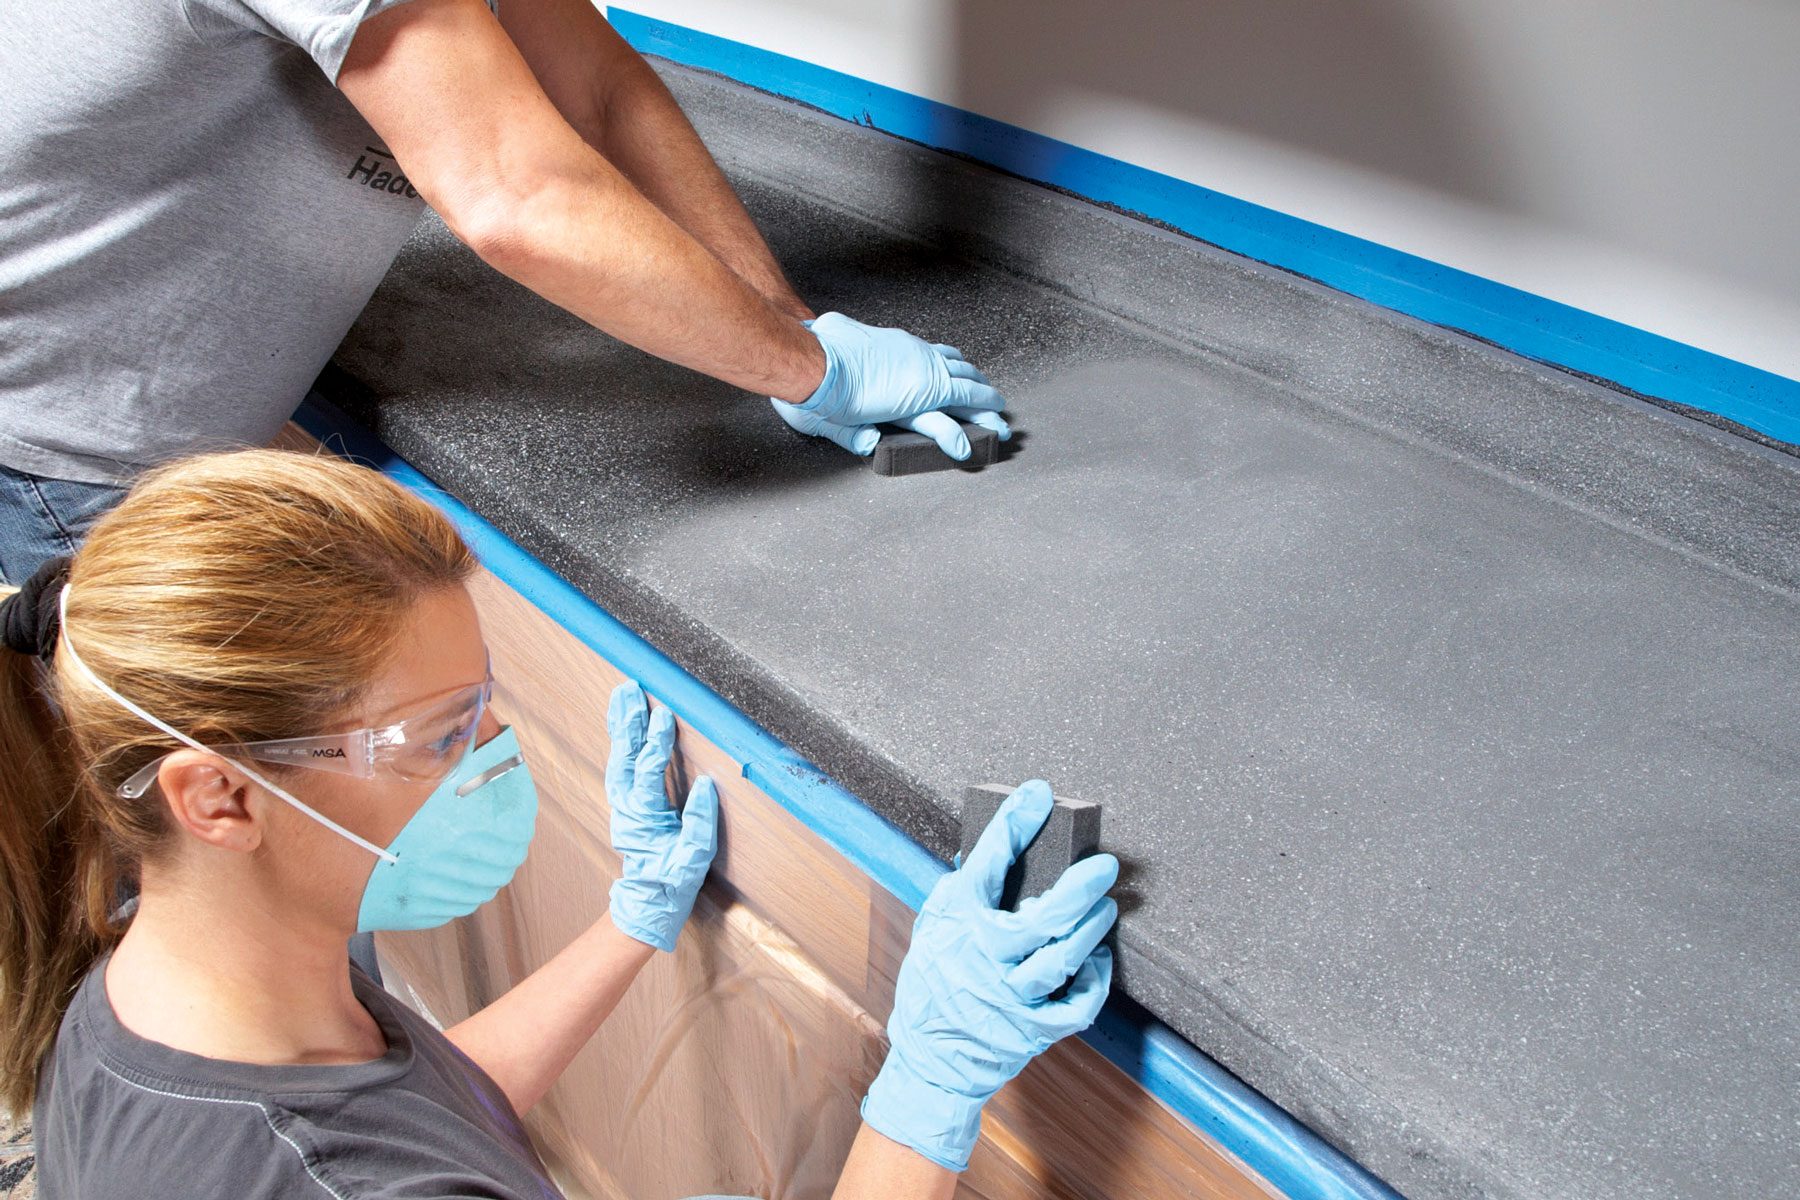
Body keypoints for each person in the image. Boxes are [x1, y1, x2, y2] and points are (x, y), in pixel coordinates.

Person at [0, 449, 1117, 1198]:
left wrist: (632, 920)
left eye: (485, 713)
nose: (487, 765)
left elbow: (424, 1109)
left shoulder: (146, 994)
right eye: (435, 737)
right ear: (221, 797)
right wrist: (929, 1090)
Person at [0, 0, 1012, 587]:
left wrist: (788, 329)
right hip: (63, 460)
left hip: (124, 415)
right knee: (197, 884)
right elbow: (517, 198)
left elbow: (601, 94)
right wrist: (814, 371)